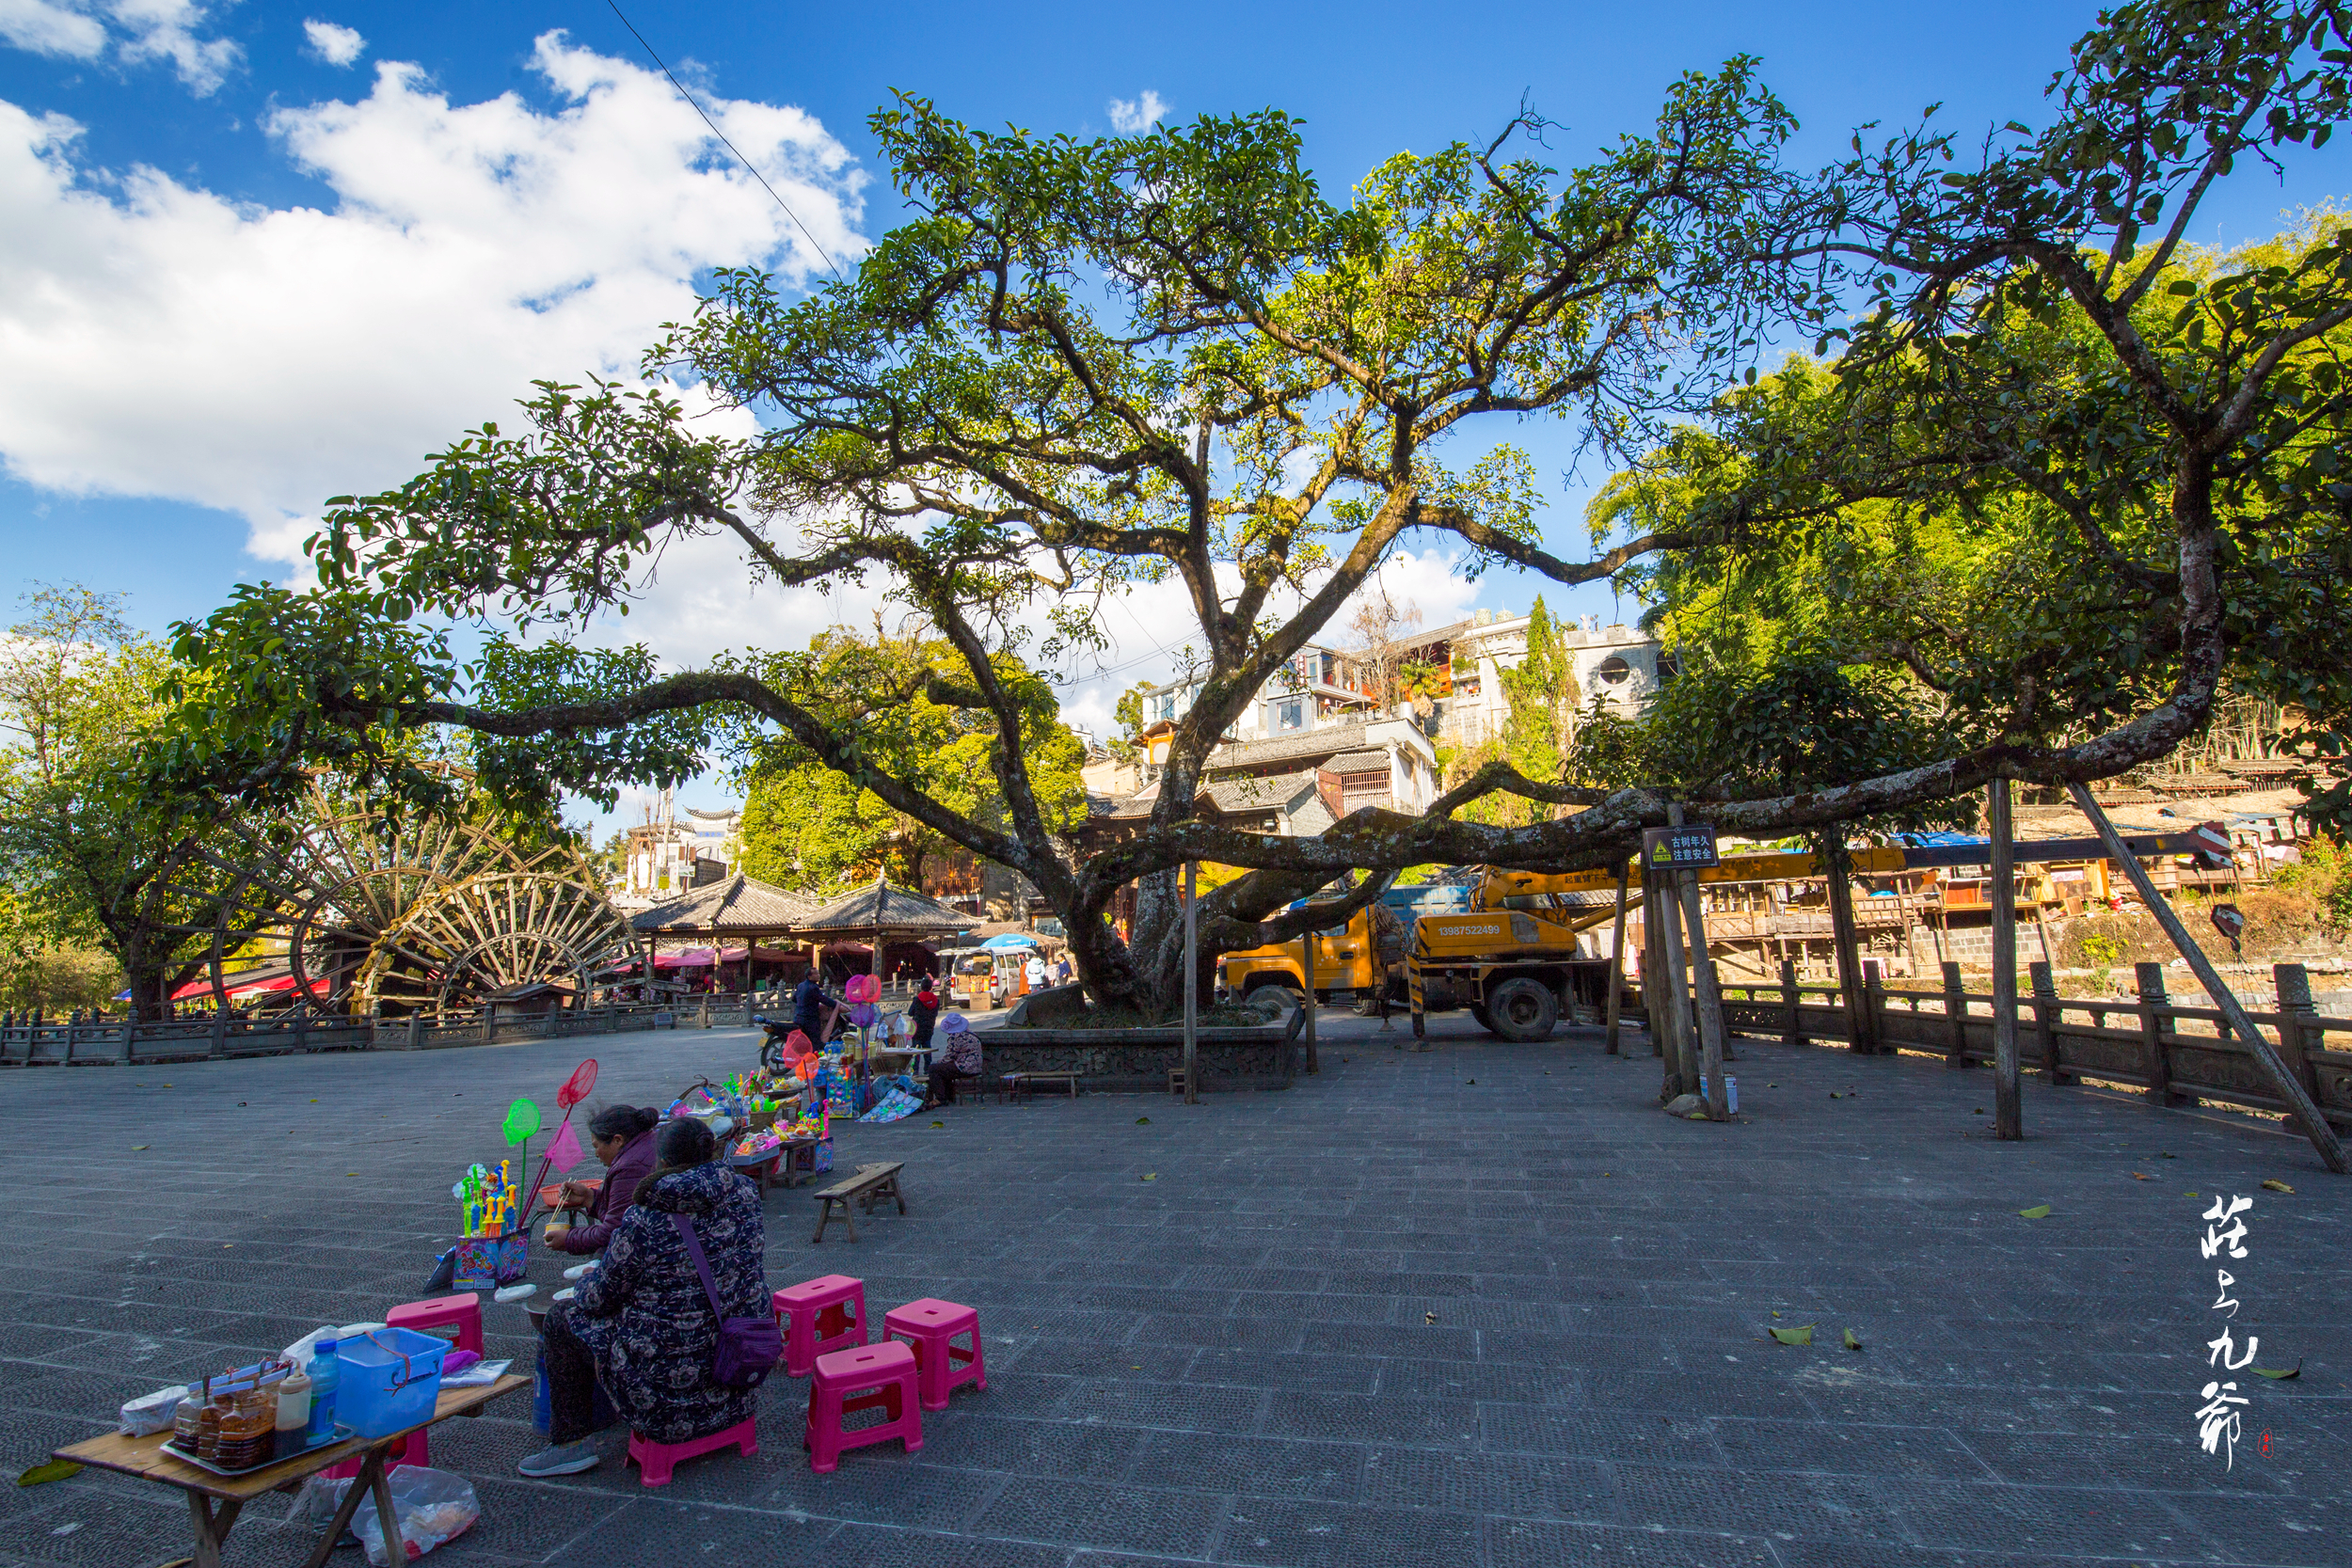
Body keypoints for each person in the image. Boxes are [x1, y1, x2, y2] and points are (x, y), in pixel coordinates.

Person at [520, 1117, 768, 1477]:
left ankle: (570, 1443)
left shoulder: (647, 1216)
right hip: (739, 1358)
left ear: (663, 1163)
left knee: (562, 1319)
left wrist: (590, 1281)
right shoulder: (744, 1193)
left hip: (667, 1383)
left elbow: (598, 1299)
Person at [542, 1105, 660, 1257]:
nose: (596, 1154)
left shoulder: (631, 1166)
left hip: (655, 1249)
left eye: (596, 1146)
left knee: (600, 1262)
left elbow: (616, 1231)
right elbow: (622, 1213)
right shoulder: (646, 1143)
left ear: (617, 1140)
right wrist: (589, 1198)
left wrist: (569, 1238)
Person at [927, 1012, 981, 1107]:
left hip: (964, 1067)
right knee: (944, 1069)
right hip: (976, 1066)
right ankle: (948, 1095)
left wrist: (938, 1063)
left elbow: (949, 1057)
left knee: (933, 1069)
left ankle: (941, 1098)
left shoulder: (956, 1037)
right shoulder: (970, 1034)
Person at [792, 971, 840, 1041]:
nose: (818, 975)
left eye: (818, 973)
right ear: (809, 977)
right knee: (815, 1041)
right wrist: (835, 1003)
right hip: (809, 1019)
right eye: (816, 974)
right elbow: (824, 1000)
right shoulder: (813, 987)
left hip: (798, 1017)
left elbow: (794, 999)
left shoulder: (801, 985)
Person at [907, 982, 940, 1052]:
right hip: (929, 1026)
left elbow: (910, 1013)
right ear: (931, 988)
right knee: (927, 1046)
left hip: (917, 1027)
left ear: (921, 988)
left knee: (916, 1048)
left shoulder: (917, 999)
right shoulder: (936, 1000)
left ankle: (915, 1062)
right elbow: (935, 1013)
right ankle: (928, 1062)